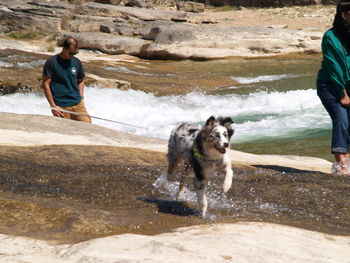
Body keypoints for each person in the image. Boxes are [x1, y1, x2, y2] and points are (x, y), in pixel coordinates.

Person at [317, 0, 350, 175]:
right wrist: (342, 93)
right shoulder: (330, 37)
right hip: (331, 86)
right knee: (342, 119)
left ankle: (348, 161)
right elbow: (333, 67)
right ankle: (340, 165)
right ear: (343, 15)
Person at [42, 36, 91, 123]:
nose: (72, 56)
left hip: (78, 104)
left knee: (88, 125)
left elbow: (80, 81)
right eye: (70, 53)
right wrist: (53, 106)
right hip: (60, 105)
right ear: (64, 49)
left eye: (75, 53)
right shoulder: (51, 62)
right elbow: (46, 84)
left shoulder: (76, 62)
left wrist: (81, 96)